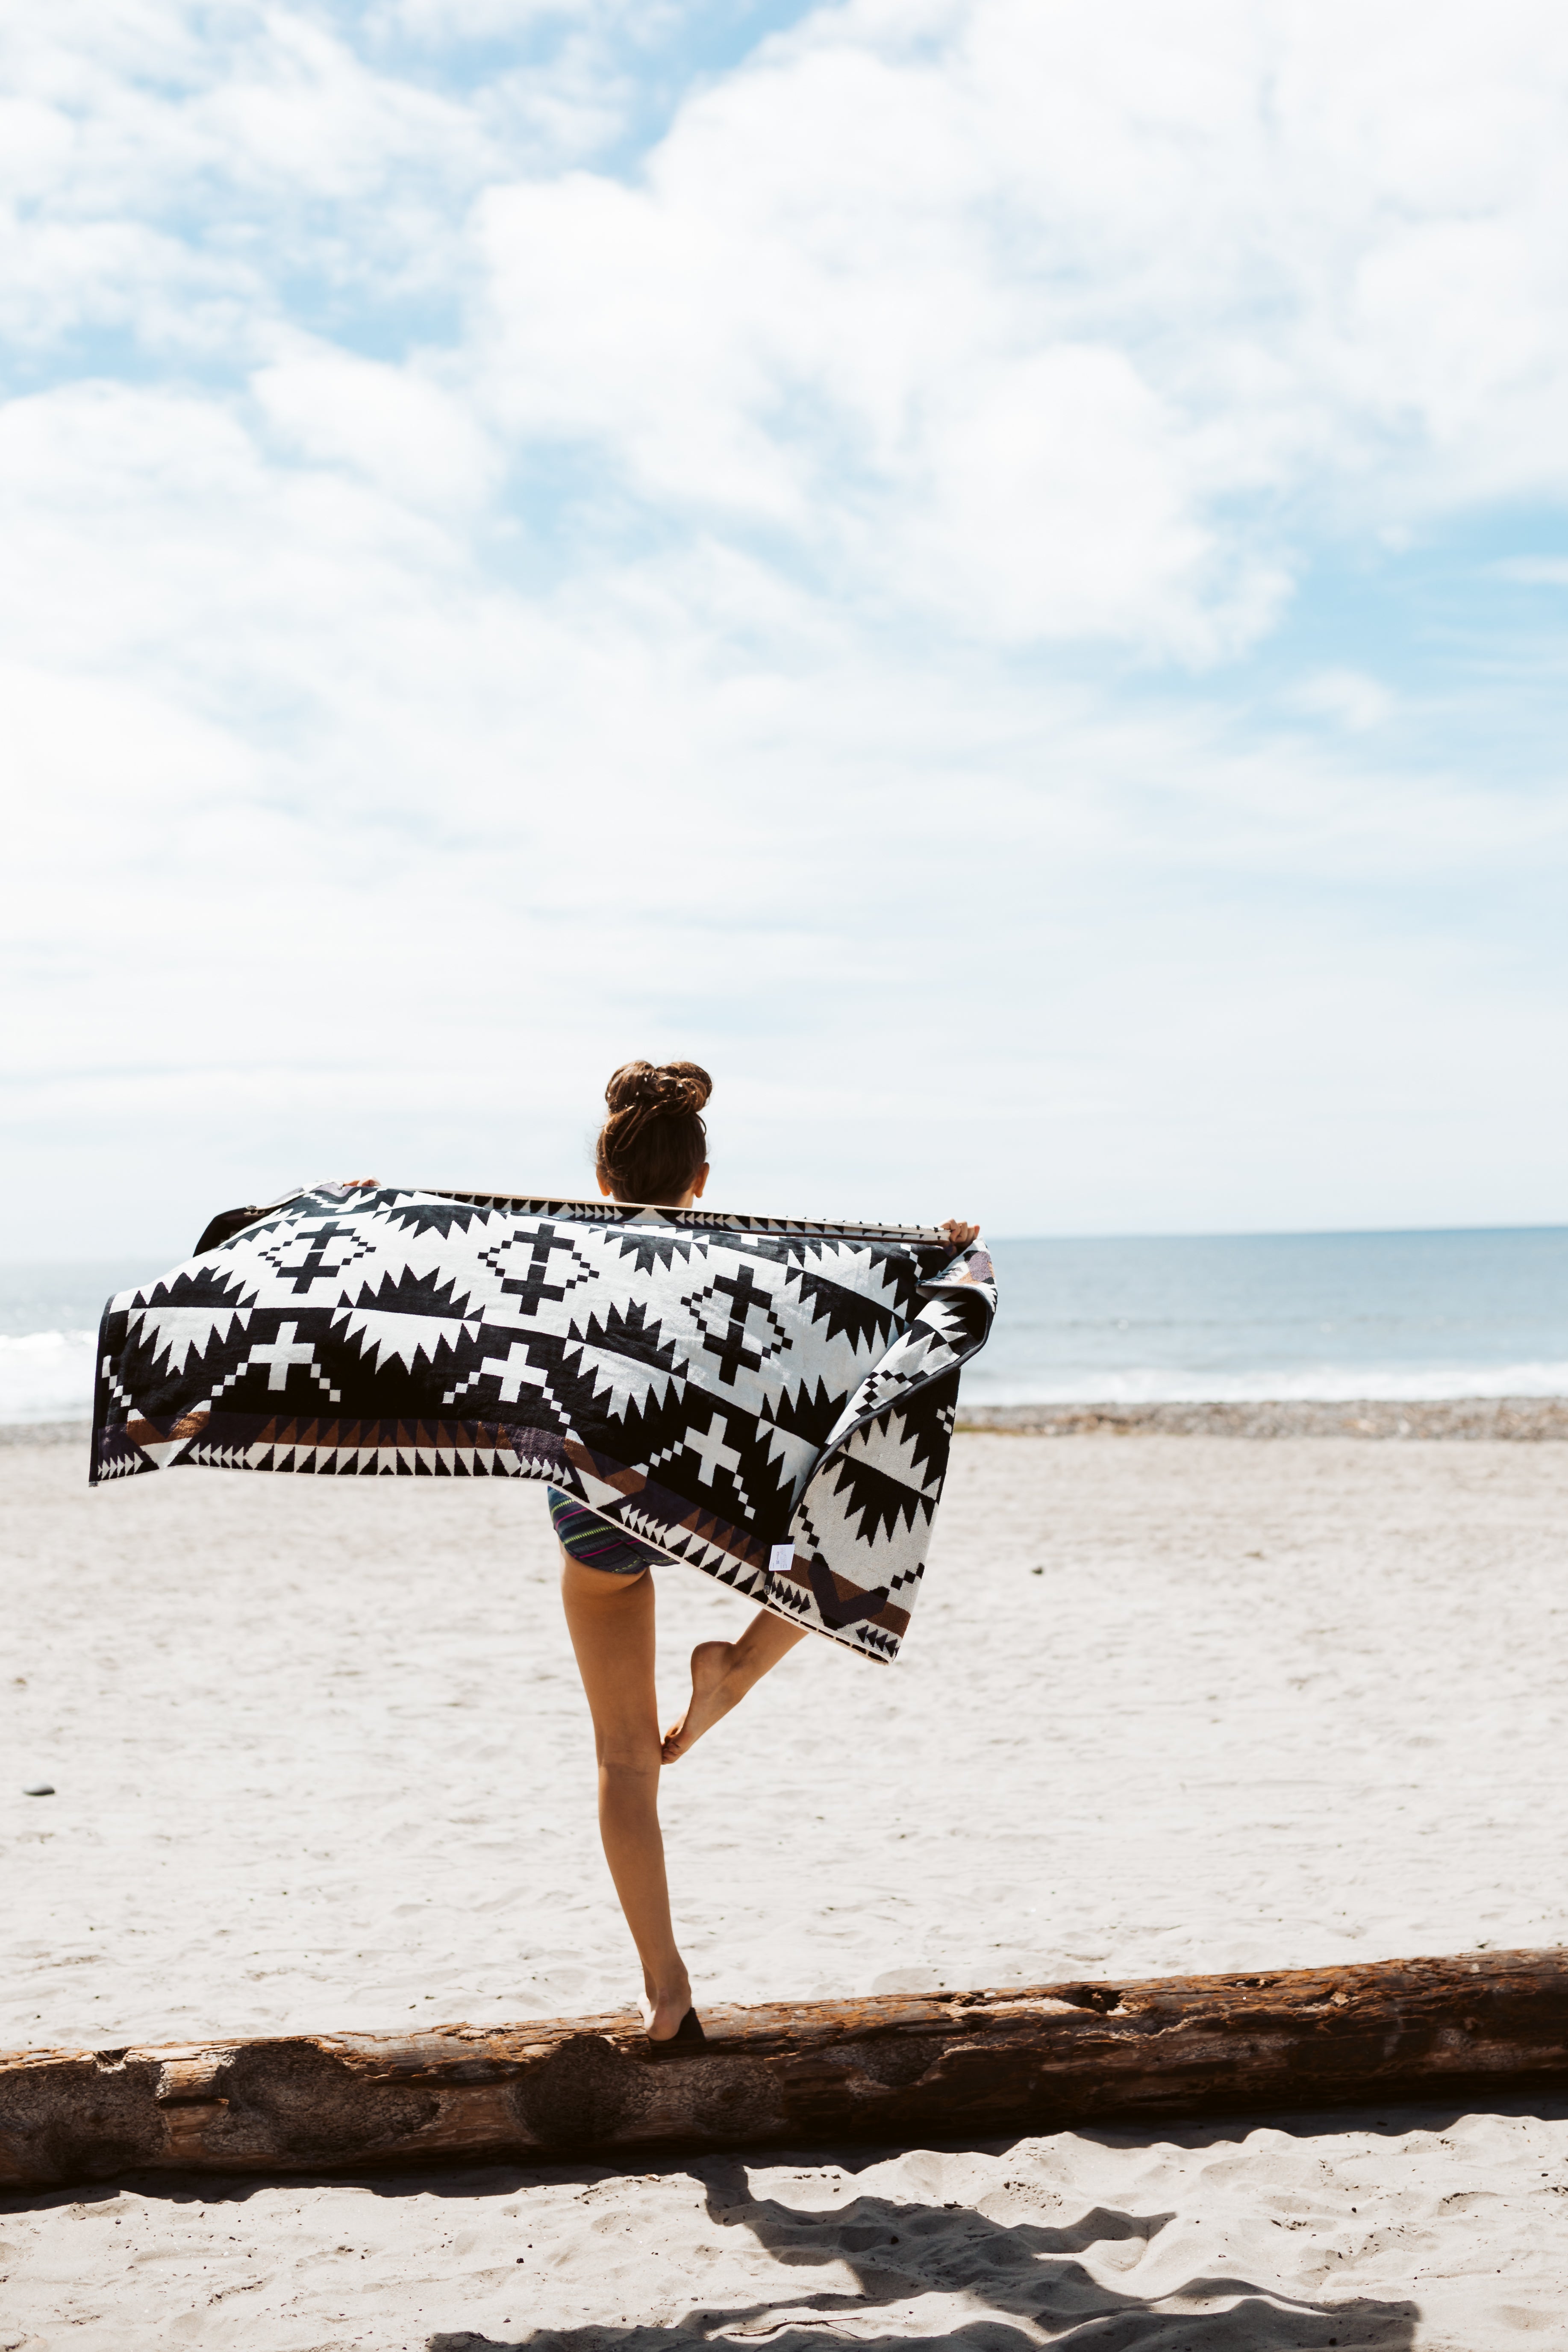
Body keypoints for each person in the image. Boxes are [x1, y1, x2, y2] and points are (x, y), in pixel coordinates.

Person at [553, 1058, 978, 2042]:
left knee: (624, 1761)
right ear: (701, 1179)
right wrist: (941, 1256)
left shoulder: (564, 1245)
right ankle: (739, 1663)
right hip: (710, 1481)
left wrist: (358, 1207)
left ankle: (665, 1989)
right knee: (849, 1522)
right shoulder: (741, 1262)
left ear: (605, 1183)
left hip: (595, 1502)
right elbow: (839, 1320)